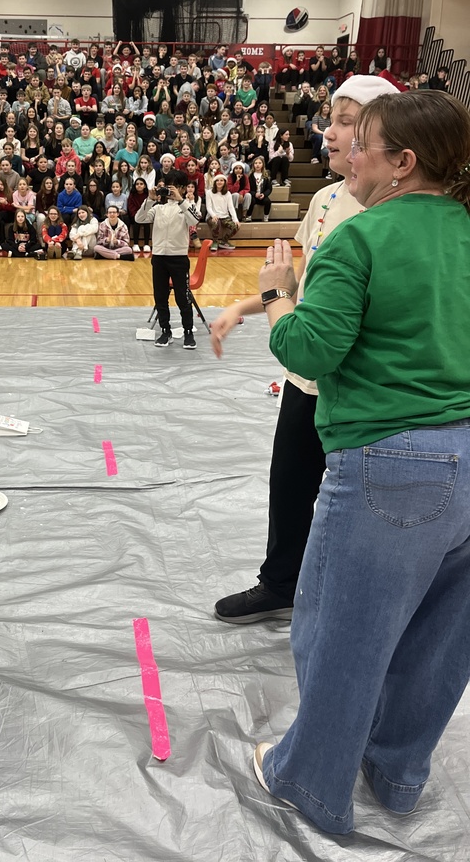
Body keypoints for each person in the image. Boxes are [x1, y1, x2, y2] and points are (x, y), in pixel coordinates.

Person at [245, 87, 470, 835]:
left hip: (391, 463)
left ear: (401, 163)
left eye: (359, 138)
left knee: (343, 631)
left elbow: (310, 350)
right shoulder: (463, 228)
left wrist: (277, 297)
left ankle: (311, 780)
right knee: (442, 639)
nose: (342, 148)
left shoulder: (360, 237)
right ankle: (398, 775)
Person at [211, 74, 402, 626]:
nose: (329, 132)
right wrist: (242, 308)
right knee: (290, 483)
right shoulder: (323, 199)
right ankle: (280, 583)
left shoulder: (393, 210)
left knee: (354, 500)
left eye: (346, 122)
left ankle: (352, 600)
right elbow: (302, 285)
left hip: (354, 382)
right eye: (331, 119)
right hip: (306, 380)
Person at [135, 182, 202, 349]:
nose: (169, 191)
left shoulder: (187, 206)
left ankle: (188, 332)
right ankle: (165, 330)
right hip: (159, 257)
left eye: (174, 187)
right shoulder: (158, 208)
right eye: (167, 188)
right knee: (160, 297)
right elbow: (139, 218)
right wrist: (149, 200)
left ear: (182, 188)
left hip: (179, 258)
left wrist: (181, 200)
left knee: (183, 298)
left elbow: (194, 219)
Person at [205, 174, 240, 251]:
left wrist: (235, 219)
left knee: (236, 226)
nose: (219, 182)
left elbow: (231, 208)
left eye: (221, 180)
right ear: (214, 182)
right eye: (217, 180)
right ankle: (215, 242)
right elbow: (209, 207)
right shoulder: (209, 193)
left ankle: (224, 241)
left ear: (224, 182)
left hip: (225, 216)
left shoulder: (228, 194)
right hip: (212, 216)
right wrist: (213, 215)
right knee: (216, 223)